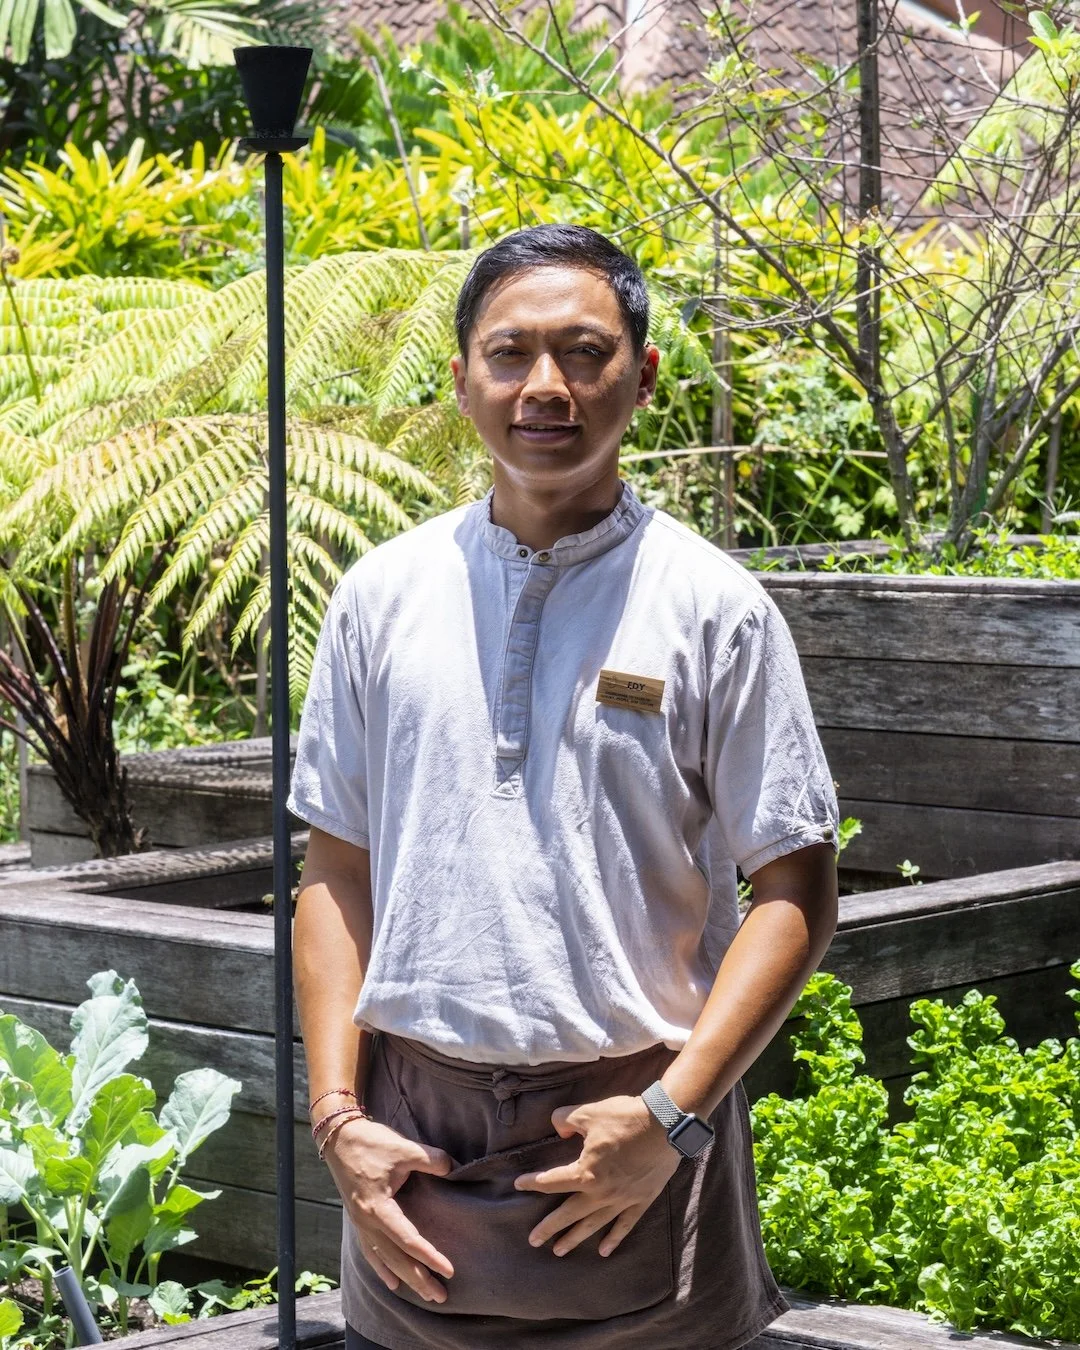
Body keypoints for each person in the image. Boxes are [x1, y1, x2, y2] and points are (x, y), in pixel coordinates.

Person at [287, 223, 840, 1350]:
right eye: (509, 354)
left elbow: (796, 888)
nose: (546, 386)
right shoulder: (380, 596)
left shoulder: (713, 609)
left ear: (641, 377)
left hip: (632, 1131)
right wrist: (337, 1117)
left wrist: (670, 1119)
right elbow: (335, 869)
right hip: (410, 1137)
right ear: (460, 381)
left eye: (584, 353)